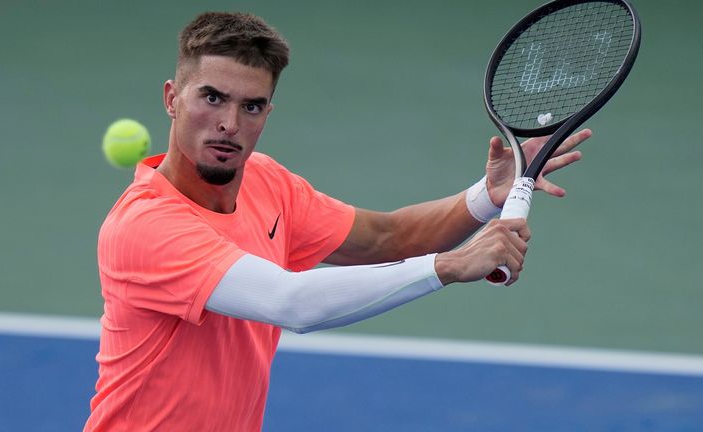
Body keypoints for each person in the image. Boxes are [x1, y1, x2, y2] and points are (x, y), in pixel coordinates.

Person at [85, 11, 589, 431]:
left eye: (251, 106)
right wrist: (450, 266)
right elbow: (292, 303)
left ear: (268, 112)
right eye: (212, 97)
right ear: (173, 98)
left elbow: (386, 238)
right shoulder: (146, 227)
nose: (229, 124)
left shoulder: (266, 182)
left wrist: (486, 196)